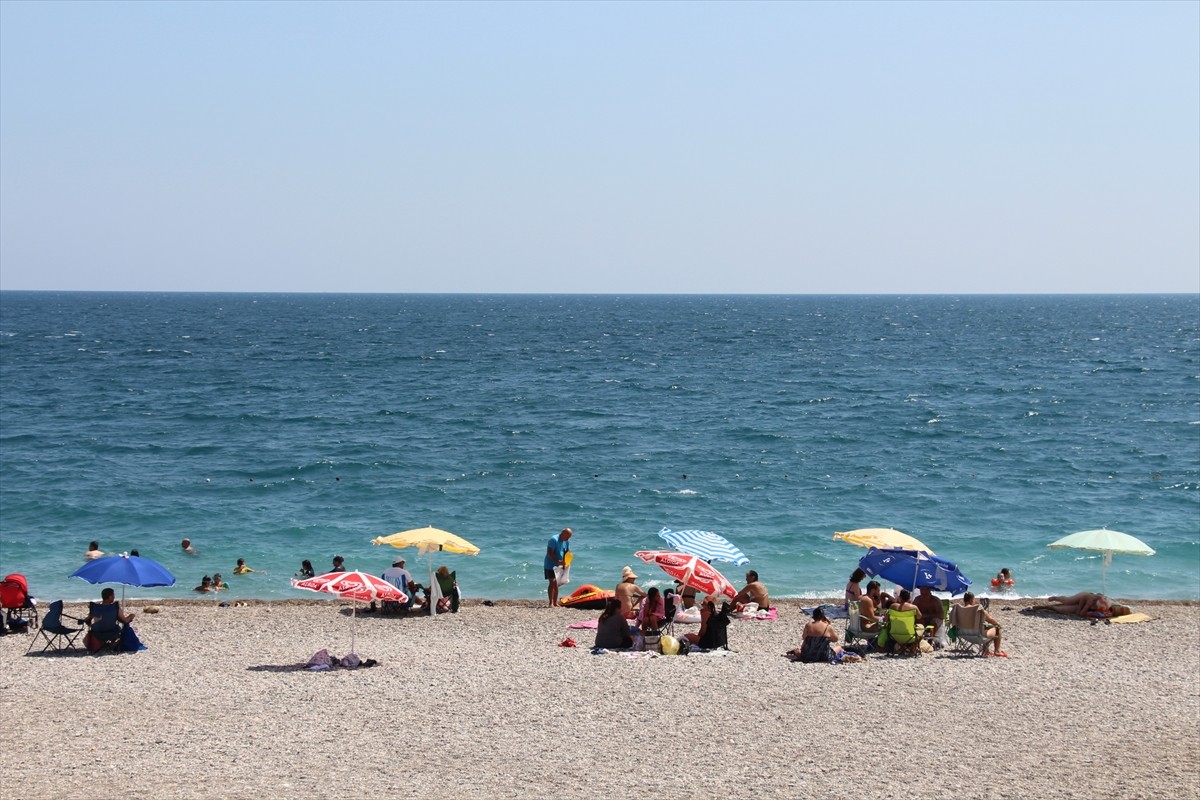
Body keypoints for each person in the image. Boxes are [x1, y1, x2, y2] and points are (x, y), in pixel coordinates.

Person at [84, 587, 135, 652]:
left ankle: (104, 644)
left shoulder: (95, 608)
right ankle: (112, 643)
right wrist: (131, 616)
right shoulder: (114, 607)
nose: (114, 597)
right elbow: (125, 621)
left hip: (97, 633)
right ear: (110, 597)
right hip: (112, 632)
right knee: (118, 628)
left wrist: (89, 622)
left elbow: (87, 620)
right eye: (113, 595)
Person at [960, 592, 1006, 657]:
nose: (974, 601)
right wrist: (998, 624)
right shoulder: (977, 609)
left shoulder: (959, 610)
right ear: (971, 600)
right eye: (974, 600)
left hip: (963, 634)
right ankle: (997, 651)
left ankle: (986, 651)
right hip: (978, 636)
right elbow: (991, 620)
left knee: (986, 628)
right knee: (997, 628)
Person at [1031, 592, 1131, 618]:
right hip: (1085, 597)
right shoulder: (1102, 602)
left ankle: (1046, 607)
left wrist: (1081, 611)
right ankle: (1056, 598)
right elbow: (1085, 599)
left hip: (1087, 604)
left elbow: (1083, 614)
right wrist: (1081, 609)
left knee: (1063, 610)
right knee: (1068, 601)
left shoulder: (1105, 613)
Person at [544, 528, 572, 608]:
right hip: (550, 564)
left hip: (559, 565)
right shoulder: (553, 539)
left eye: (569, 537)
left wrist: (567, 561)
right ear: (562, 533)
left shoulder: (566, 541)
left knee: (556, 583)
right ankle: (550, 603)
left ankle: (555, 602)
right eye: (567, 536)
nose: (568, 538)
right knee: (552, 582)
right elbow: (549, 552)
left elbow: (567, 552)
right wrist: (557, 561)